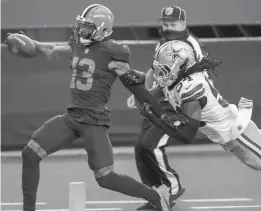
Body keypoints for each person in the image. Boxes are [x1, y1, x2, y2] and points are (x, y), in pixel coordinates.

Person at [5, 4, 190, 211]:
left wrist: (162, 114)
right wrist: (30, 43)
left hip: (94, 121)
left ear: (101, 29)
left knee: (105, 177)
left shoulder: (113, 52)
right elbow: (54, 50)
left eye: (86, 28)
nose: (80, 31)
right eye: (80, 27)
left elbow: (137, 89)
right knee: (30, 153)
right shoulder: (77, 44)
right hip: (72, 117)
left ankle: (157, 196)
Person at [127, 6, 208, 210]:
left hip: (183, 103)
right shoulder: (164, 42)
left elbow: (195, 82)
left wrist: (154, 96)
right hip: (164, 99)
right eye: (165, 24)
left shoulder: (192, 47)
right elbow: (156, 69)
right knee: (141, 147)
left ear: (183, 24)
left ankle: (171, 189)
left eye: (173, 24)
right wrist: (141, 92)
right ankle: (156, 194)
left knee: (151, 145)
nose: (169, 28)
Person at [152, 39, 261, 173]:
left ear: (180, 65)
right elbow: (150, 97)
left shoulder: (190, 87)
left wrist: (156, 118)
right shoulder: (176, 81)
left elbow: (187, 134)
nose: (160, 74)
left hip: (238, 132)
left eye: (165, 68)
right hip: (230, 138)